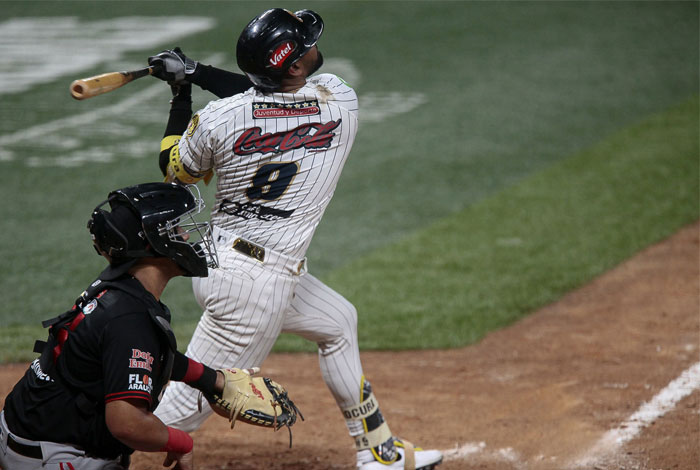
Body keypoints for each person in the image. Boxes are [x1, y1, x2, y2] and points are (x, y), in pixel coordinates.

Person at [147, 8, 443, 470]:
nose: (312, 44)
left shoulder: (217, 119)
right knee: (180, 413)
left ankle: (378, 454)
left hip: (235, 266)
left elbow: (174, 169)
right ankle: (73, 452)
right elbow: (263, 96)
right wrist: (199, 73)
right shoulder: (340, 101)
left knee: (339, 322)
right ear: (296, 68)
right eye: (304, 44)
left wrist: (183, 89)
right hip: (253, 290)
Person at [1, 182, 236, 470]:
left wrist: (211, 380)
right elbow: (128, 424)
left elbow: (138, 356)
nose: (187, 235)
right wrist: (181, 442)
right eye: (176, 230)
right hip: (55, 456)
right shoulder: (129, 319)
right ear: (152, 244)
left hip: (30, 436)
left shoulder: (119, 290)